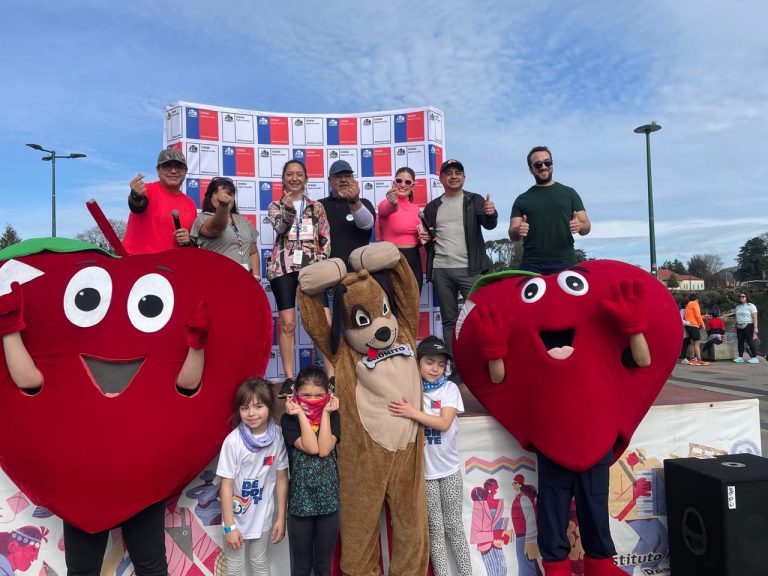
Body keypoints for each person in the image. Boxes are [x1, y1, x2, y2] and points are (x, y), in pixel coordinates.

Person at [387, 336, 472, 576]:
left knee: (454, 527)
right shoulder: (410, 392)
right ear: (418, 362)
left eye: (441, 364)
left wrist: (412, 412)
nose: (435, 369)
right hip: (424, 475)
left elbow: (444, 423)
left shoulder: (450, 389)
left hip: (450, 472)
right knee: (434, 529)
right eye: (429, 362)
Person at [419, 159, 498, 377]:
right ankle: (457, 369)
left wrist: (491, 213)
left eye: (458, 173)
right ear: (441, 178)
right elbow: (429, 238)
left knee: (479, 317)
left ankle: (485, 364)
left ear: (464, 177)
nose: (453, 176)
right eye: (448, 173)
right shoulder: (432, 207)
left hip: (471, 269)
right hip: (441, 269)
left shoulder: (475, 200)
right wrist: (424, 237)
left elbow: (489, 224)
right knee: (449, 321)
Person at [265, 160, 332, 397]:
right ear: (283, 179)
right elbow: (282, 228)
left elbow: (324, 236)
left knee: (322, 322)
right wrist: (289, 209)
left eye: (299, 174)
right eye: (290, 174)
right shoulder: (275, 205)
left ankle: (331, 376)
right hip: (283, 268)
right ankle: (289, 378)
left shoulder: (316, 207)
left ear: (306, 178)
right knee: (288, 323)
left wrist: (321, 261)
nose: (294, 178)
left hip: (311, 268)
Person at [217, 377, 289, 576]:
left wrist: (281, 517)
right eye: (245, 408)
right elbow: (226, 486)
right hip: (236, 519)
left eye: (258, 406)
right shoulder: (233, 442)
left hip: (263, 517)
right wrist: (230, 526)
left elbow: (282, 478)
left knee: (259, 562)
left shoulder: (278, 437)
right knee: (234, 566)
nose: (251, 413)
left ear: (269, 406)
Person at [280, 366, 341, 576]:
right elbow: (311, 447)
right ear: (296, 394)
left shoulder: (333, 416)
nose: (312, 400)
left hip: (329, 504)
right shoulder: (288, 420)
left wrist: (325, 412)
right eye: (306, 395)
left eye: (319, 396)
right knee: (302, 567)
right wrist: (299, 414)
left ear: (328, 395)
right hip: (300, 505)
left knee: (324, 567)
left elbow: (324, 449)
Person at [508, 146, 591, 274]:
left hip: (566, 262)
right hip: (531, 265)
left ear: (552, 164)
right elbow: (512, 234)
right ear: (531, 169)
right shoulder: (522, 199)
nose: (543, 167)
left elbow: (586, 227)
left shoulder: (570, 193)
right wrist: (518, 230)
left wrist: (579, 225)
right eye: (538, 164)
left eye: (547, 162)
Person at [123, 148, 197, 254]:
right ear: (158, 170)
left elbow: (192, 245)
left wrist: (187, 241)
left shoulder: (190, 204)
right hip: (137, 263)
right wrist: (136, 196)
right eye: (167, 166)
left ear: (186, 171)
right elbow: (137, 206)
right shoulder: (147, 190)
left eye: (179, 167)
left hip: (169, 267)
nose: (173, 171)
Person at [191, 177, 260, 277]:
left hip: (244, 281)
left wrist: (256, 276)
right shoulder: (203, 218)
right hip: (217, 279)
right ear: (209, 197)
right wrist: (223, 206)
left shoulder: (243, 221)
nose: (226, 197)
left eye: (230, 194)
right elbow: (217, 227)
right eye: (219, 193)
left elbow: (253, 252)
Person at [319, 160, 376, 266]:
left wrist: (354, 201)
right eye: (338, 176)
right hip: (327, 272)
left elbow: (366, 225)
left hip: (359, 272)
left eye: (347, 176)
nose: (343, 180)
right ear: (329, 180)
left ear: (352, 179)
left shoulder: (364, 203)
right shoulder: (318, 206)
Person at [377, 166, 424, 293]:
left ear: (413, 187)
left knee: (413, 304)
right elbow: (388, 209)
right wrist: (393, 203)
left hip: (413, 260)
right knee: (392, 306)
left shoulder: (416, 209)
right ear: (393, 183)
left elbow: (419, 241)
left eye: (408, 182)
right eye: (399, 181)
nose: (403, 185)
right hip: (391, 259)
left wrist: (424, 238)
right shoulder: (384, 204)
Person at [469, 478, 510, 576]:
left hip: (497, 544)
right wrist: (495, 534)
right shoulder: (478, 505)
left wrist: (504, 534)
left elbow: (497, 522)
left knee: (503, 570)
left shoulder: (499, 503)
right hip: (485, 546)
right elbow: (474, 536)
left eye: (497, 488)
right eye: (494, 488)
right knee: (493, 572)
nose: (496, 490)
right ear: (488, 488)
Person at [511, 475, 543, 576]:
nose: (513, 485)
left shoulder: (524, 498)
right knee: (524, 563)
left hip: (525, 537)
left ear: (520, 484)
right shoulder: (519, 497)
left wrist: (530, 541)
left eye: (515, 483)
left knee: (527, 564)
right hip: (521, 537)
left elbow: (530, 519)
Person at [734, 292, 759, 363]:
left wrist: (755, 327)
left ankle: (754, 357)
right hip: (739, 326)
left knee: (750, 341)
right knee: (740, 342)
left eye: (743, 296)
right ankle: (740, 357)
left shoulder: (751, 306)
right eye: (740, 296)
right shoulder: (738, 306)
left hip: (748, 325)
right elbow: (736, 317)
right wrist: (734, 325)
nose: (741, 298)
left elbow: (755, 317)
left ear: (746, 297)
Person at [684, 294, 709, 365]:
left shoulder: (688, 305)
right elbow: (697, 315)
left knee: (692, 343)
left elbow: (694, 316)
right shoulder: (695, 304)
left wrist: (703, 316)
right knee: (697, 343)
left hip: (689, 326)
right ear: (696, 299)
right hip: (694, 326)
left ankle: (692, 359)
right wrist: (703, 324)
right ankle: (699, 359)